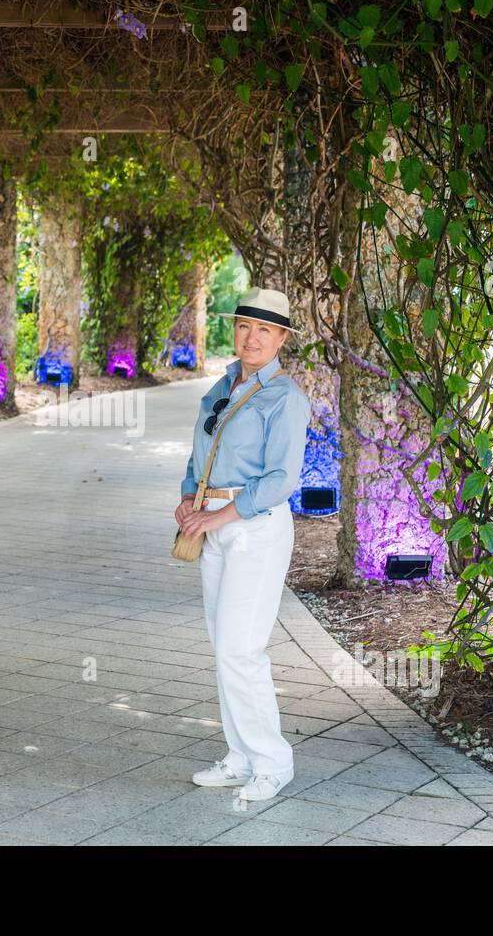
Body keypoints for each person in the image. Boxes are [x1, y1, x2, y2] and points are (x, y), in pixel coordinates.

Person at [176, 286, 311, 802]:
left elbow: (281, 480)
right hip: (212, 523)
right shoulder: (222, 386)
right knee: (223, 646)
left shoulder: (285, 398)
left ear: (280, 339)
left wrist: (220, 516)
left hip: (254, 528)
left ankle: (273, 762)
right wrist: (188, 499)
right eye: (244, 327)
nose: (251, 338)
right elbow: (198, 454)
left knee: (241, 648)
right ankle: (239, 757)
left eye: (265, 330)